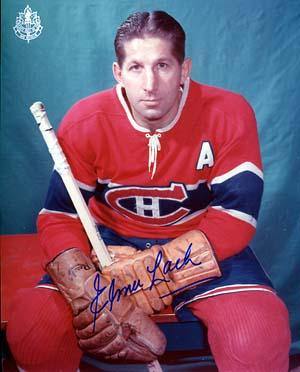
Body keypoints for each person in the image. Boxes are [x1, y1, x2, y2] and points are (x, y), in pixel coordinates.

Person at [7, 10, 291, 372]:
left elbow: (237, 215)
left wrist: (154, 270)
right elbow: (59, 216)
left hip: (202, 241)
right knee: (34, 327)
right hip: (106, 244)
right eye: (136, 68)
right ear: (118, 73)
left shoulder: (228, 113)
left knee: (258, 334)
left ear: (184, 69)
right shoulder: (86, 120)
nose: (150, 85)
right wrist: (87, 288)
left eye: (163, 66)